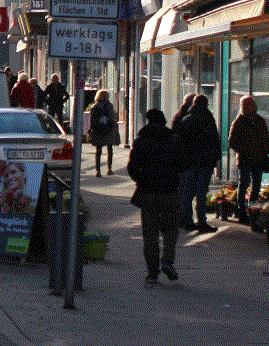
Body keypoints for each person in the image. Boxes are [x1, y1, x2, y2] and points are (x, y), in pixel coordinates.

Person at [127, 108, 190, 286]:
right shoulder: (174, 140)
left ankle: (152, 273)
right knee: (171, 229)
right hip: (169, 191)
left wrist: (141, 179)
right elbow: (184, 164)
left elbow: (132, 166)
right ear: (163, 121)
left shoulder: (141, 141)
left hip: (147, 192)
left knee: (150, 233)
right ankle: (167, 260)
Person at [175, 93, 220, 232]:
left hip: (189, 162)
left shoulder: (186, 120)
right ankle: (202, 222)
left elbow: (179, 142)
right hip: (205, 162)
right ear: (206, 104)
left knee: (187, 192)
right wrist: (214, 159)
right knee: (201, 193)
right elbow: (215, 142)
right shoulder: (209, 119)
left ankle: (187, 220)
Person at [227, 95, 269, 220]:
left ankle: (252, 209)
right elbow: (232, 142)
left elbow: (265, 138)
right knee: (244, 183)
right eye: (243, 106)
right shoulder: (238, 122)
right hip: (245, 159)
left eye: (247, 105)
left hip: (258, 158)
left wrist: (265, 153)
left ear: (253, 106)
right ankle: (241, 210)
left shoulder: (260, 121)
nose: (244, 108)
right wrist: (243, 150)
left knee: (256, 184)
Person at [87, 89, 120, 176]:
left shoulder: (94, 107)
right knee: (110, 149)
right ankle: (109, 169)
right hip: (108, 130)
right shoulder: (109, 106)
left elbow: (92, 120)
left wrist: (90, 130)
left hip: (97, 130)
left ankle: (98, 171)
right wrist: (114, 128)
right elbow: (112, 118)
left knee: (98, 151)